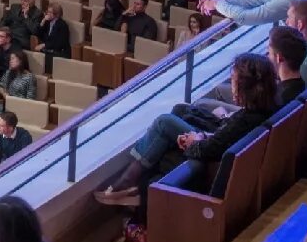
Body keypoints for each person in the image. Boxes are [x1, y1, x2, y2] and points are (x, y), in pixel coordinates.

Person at [92, 53, 280, 211]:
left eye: (233, 80)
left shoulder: (245, 119)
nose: (231, 85)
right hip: (216, 142)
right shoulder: (266, 107)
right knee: (180, 109)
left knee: (163, 122)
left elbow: (207, 150)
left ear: (245, 88)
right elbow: (225, 138)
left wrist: (194, 140)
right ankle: (135, 184)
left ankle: (128, 181)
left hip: (210, 161)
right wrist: (203, 136)